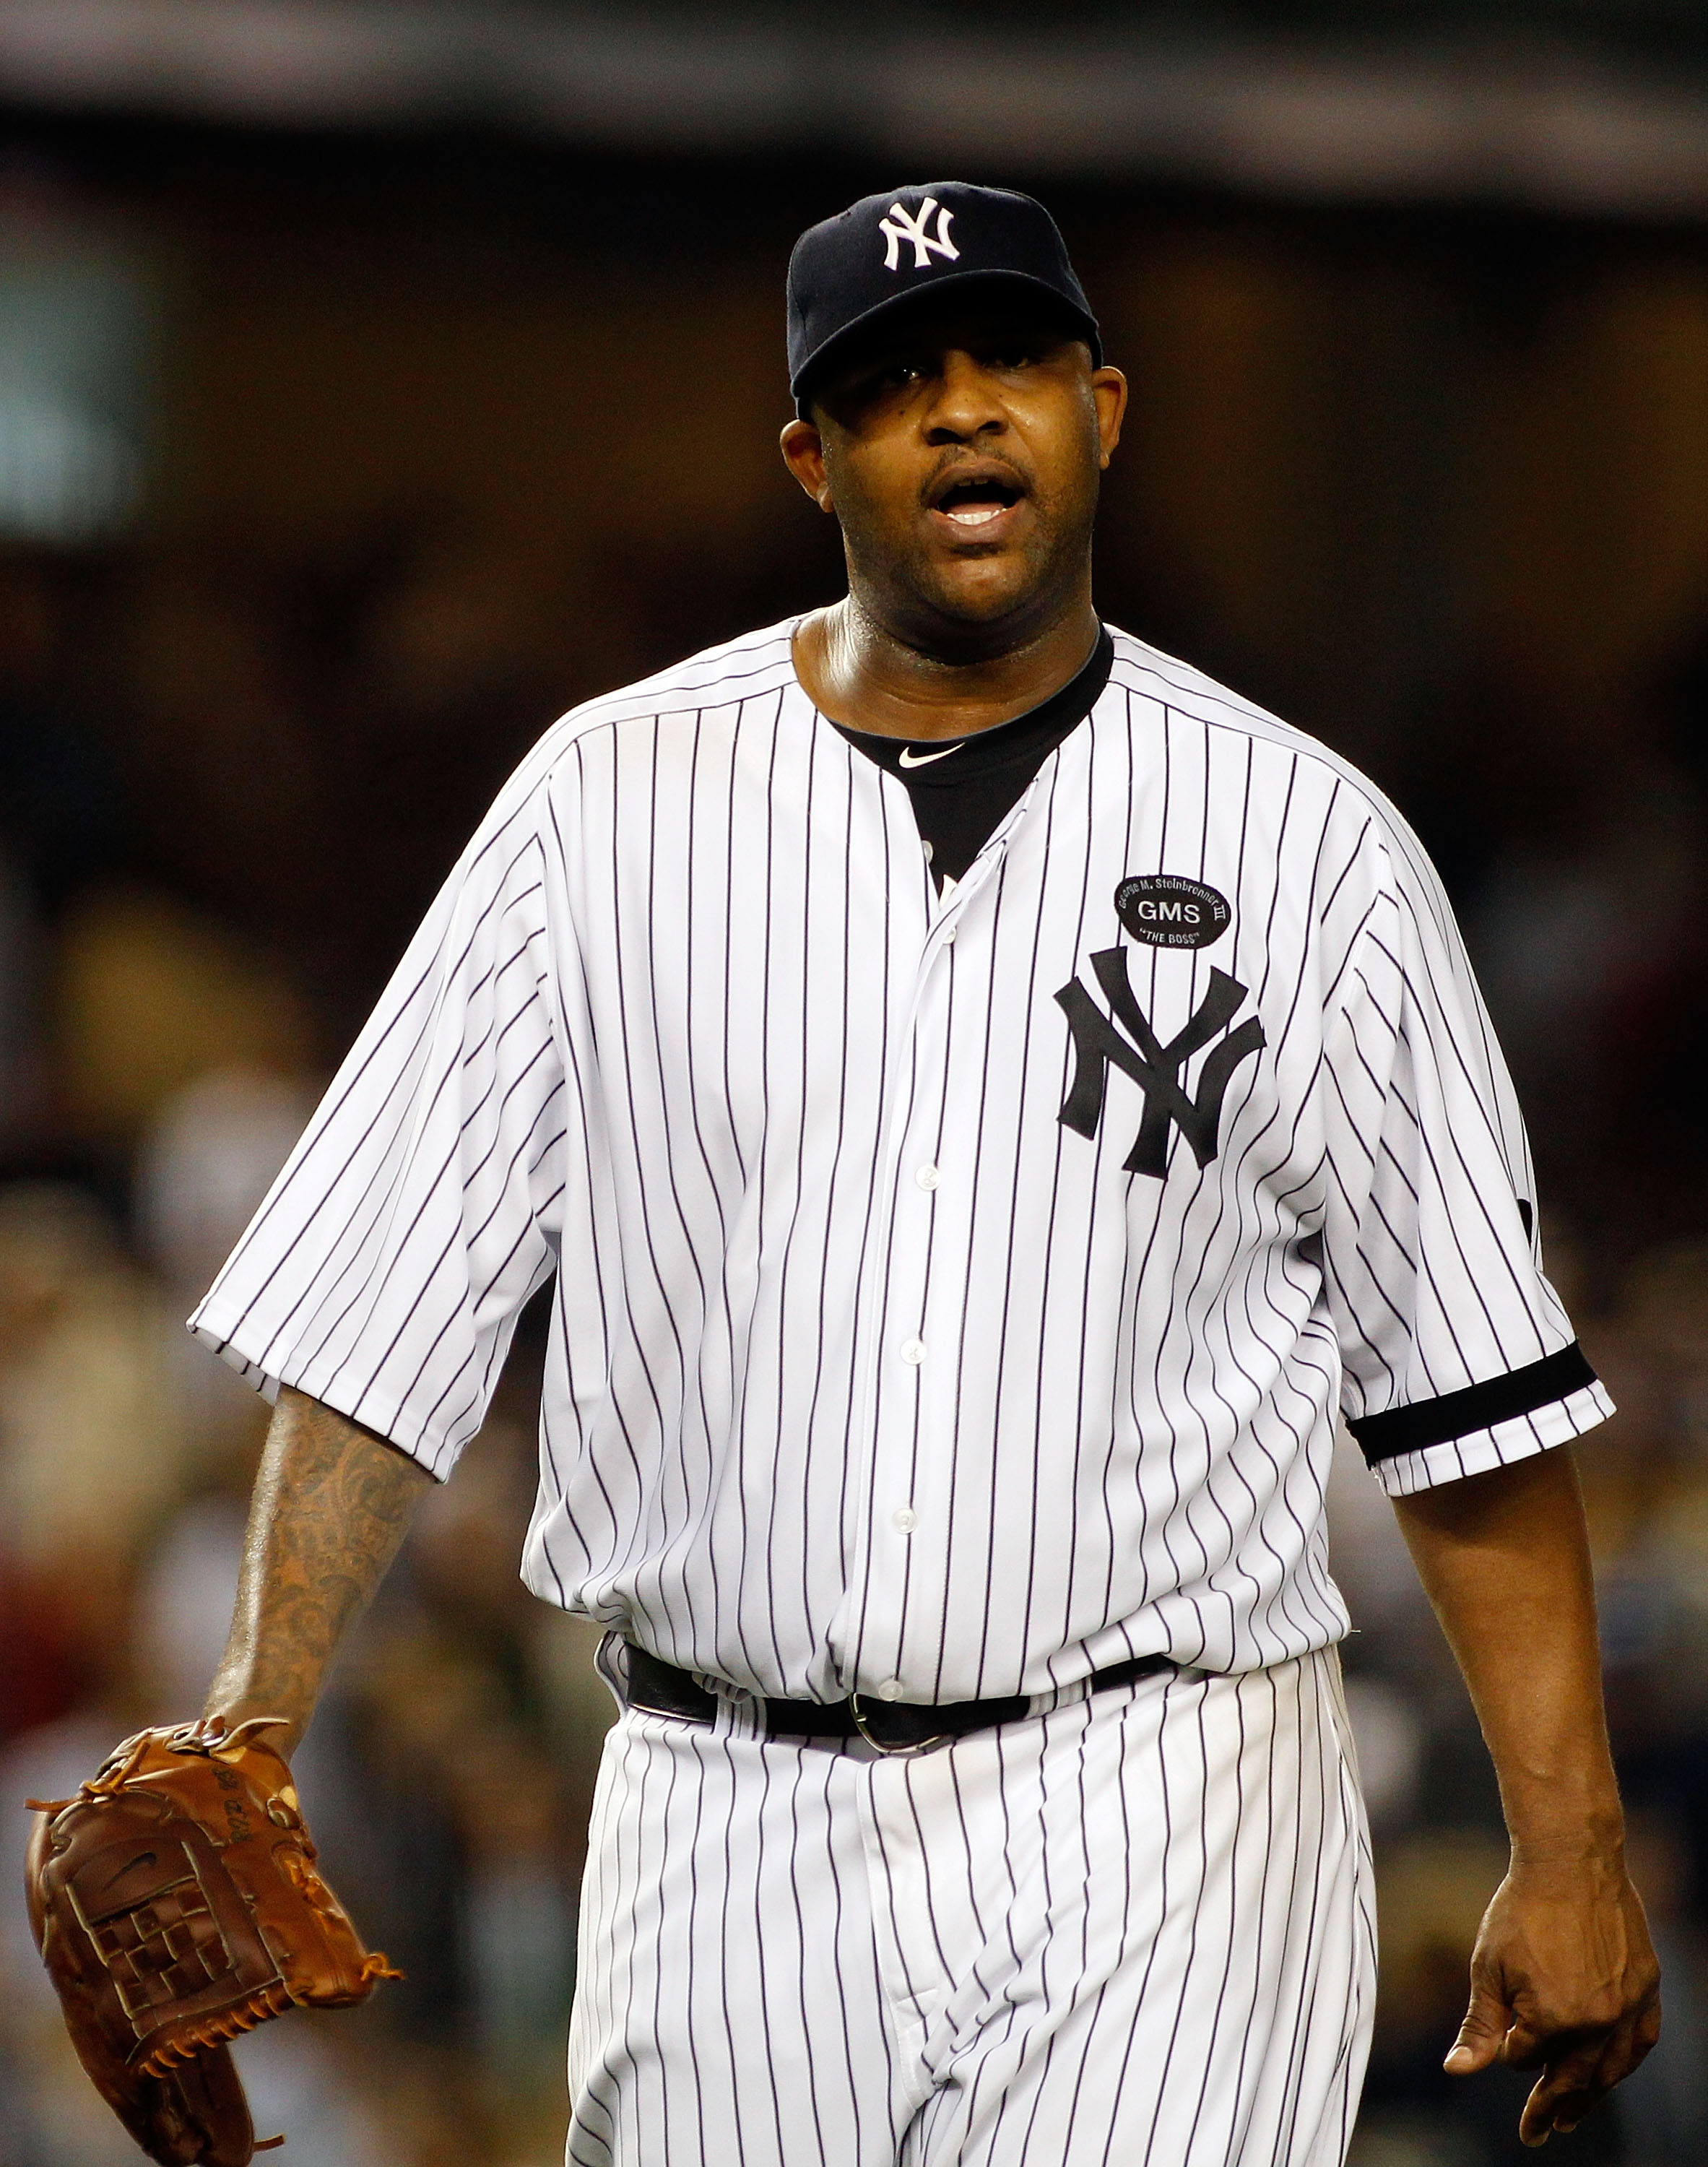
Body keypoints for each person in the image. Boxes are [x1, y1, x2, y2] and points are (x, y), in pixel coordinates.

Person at [186, 183, 1657, 2164]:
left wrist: (1568, 1842)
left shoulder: (1310, 845)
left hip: (1166, 1799)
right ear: (813, 456)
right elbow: (378, 1317)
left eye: (1008, 364)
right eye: (892, 385)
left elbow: (1470, 1397)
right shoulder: (605, 806)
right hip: (723, 1822)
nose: (961, 414)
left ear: (1104, 409)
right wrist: (247, 1726)